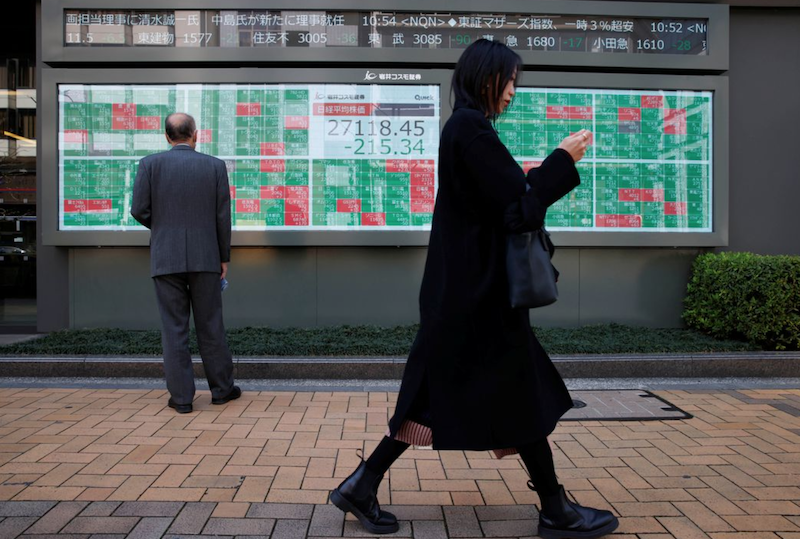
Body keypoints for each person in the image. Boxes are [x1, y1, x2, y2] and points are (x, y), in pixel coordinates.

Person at [329, 40, 618, 539]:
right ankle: (556, 511)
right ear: (486, 78)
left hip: (466, 298)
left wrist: (540, 175)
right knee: (514, 395)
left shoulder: (466, 128)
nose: (512, 92)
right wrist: (562, 160)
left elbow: (503, 202)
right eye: (509, 82)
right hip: (478, 301)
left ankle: (362, 485)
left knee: (458, 397)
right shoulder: (470, 128)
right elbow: (520, 209)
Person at [131, 112, 241, 414]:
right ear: (196, 135)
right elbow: (222, 217)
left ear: (167, 137)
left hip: (166, 257)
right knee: (211, 325)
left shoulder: (150, 165)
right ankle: (221, 390)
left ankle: (181, 399)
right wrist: (223, 257)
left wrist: (164, 227)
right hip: (206, 256)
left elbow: (138, 209)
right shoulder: (215, 166)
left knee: (174, 328)